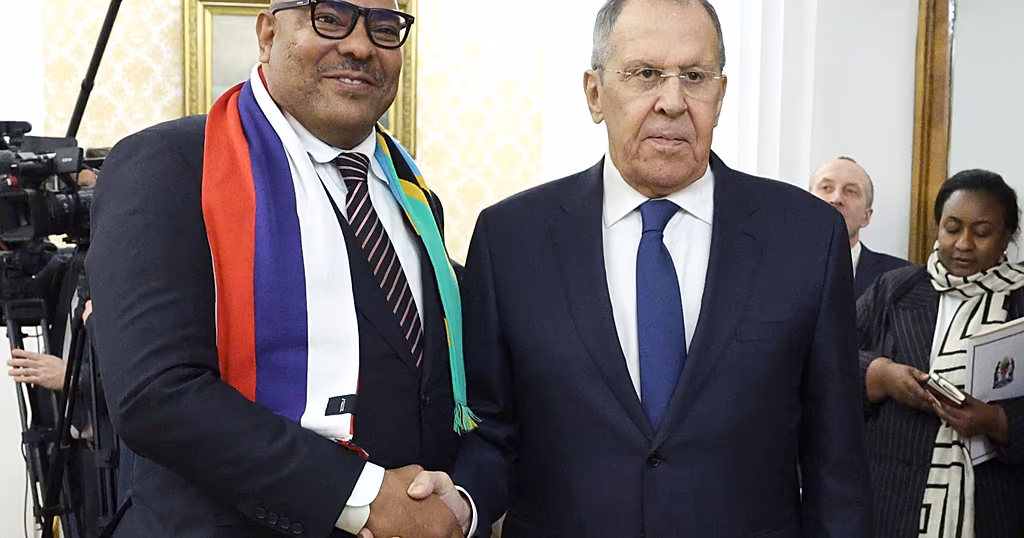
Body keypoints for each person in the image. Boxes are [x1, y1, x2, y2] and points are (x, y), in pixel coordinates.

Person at [408, 0, 872, 535]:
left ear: (720, 95)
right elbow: (491, 430)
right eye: (645, 74)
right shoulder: (511, 238)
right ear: (595, 93)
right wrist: (464, 501)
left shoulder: (806, 236)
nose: (672, 102)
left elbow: (837, 462)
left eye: (694, 77)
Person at [85, 1, 472, 536]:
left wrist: (449, 501)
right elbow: (157, 396)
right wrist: (365, 498)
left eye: (384, 28)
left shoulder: (412, 193)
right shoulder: (169, 164)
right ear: (267, 34)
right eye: (329, 18)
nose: (360, 46)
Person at [858, 169, 1024, 537]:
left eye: (982, 232)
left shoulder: (1019, 301)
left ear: (1007, 236)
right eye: (952, 228)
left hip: (994, 506)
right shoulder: (895, 289)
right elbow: (830, 362)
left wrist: (999, 421)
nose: (964, 244)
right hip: (891, 497)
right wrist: (879, 375)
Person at [810, 157, 908, 298]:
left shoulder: (902, 278)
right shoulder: (778, 266)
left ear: (866, 216)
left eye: (850, 191)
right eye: (826, 188)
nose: (836, 199)